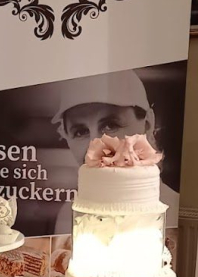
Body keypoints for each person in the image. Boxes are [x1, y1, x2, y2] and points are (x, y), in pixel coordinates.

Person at [51, 69, 179, 222]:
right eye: (80, 132)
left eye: (110, 125)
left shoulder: (175, 213)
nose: (94, 147)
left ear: (147, 124)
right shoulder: (68, 216)